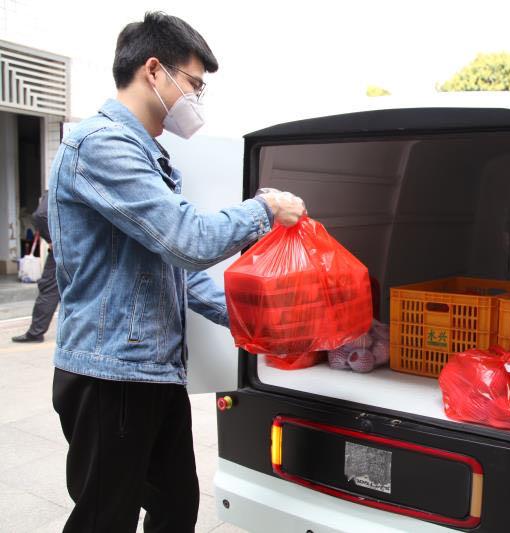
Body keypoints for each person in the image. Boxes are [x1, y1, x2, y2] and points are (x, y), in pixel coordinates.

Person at [48, 12, 306, 533]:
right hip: (110, 373)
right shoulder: (102, 146)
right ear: (153, 71)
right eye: (194, 84)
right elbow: (188, 241)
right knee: (104, 518)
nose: (196, 98)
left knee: (175, 506)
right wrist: (265, 208)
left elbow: (174, 271)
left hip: (152, 371)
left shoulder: (148, 154)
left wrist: (253, 321)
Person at [12, 191, 60, 343]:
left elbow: (40, 215)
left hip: (65, 248)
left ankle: (36, 332)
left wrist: (54, 240)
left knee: (50, 288)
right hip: (85, 248)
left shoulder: (59, 184)